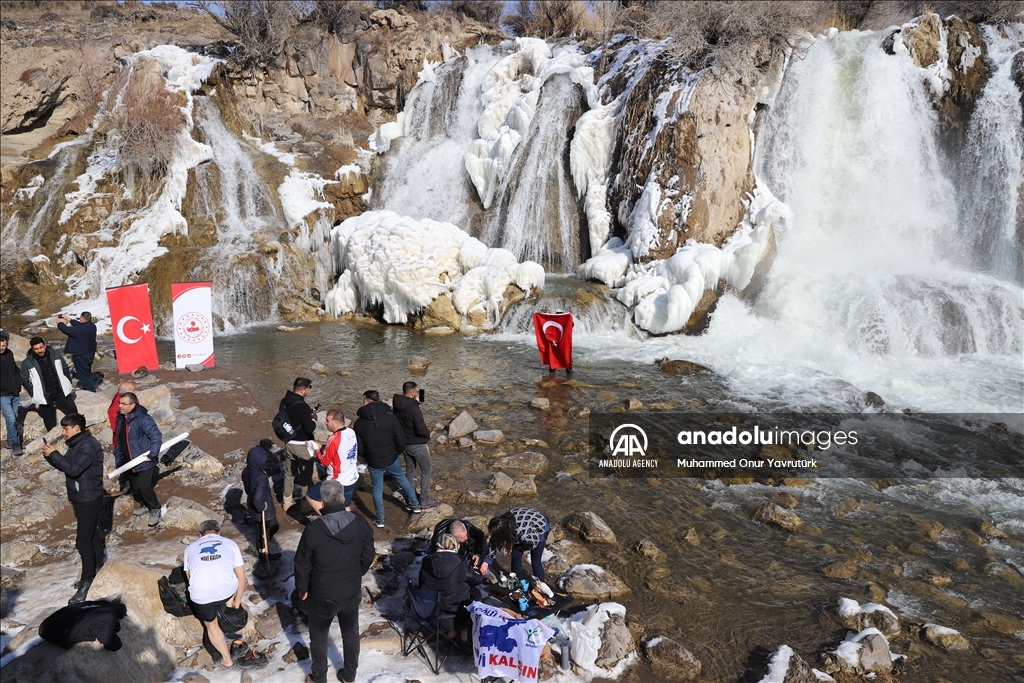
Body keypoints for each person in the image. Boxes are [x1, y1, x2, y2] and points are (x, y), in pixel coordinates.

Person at [293, 480, 374, 683]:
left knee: (319, 637)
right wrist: (358, 572)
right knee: (351, 633)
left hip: (323, 594)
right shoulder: (360, 523)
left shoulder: (314, 529)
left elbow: (302, 563)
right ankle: (349, 676)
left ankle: (319, 678)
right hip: (351, 589)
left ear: (322, 502)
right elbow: (368, 554)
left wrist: (302, 588)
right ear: (343, 498)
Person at [42, 413, 106, 604]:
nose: (63, 433)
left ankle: (87, 581)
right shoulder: (78, 444)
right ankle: (97, 571)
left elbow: (74, 470)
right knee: (92, 536)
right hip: (83, 497)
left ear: (77, 428)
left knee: (83, 542)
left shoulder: (88, 446)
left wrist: (54, 454)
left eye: (66, 429)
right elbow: (67, 466)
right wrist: (50, 455)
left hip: (88, 499)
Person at [183, 519, 261, 670]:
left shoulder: (189, 548)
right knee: (228, 589)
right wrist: (236, 603)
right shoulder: (230, 543)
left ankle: (227, 660)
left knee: (211, 626)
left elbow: (190, 578)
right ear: (219, 532)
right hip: (226, 592)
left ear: (200, 535)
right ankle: (227, 614)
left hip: (201, 596)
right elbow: (241, 577)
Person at [352, 390, 420, 528]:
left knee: (377, 489)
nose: (362, 402)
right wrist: (397, 452)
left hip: (374, 462)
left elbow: (359, 447)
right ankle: (415, 505)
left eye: (363, 400)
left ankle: (381, 519)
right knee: (401, 478)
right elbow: (400, 438)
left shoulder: (359, 423)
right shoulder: (390, 417)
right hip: (392, 457)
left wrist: (368, 456)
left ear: (368, 401)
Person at [419, 532, 483, 641]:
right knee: (476, 593)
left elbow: (421, 583)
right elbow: (476, 580)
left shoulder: (426, 561)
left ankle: (453, 632)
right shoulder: (460, 562)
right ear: (455, 545)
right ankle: (465, 632)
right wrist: (476, 571)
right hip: (455, 611)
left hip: (429, 611)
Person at [113, 392, 163, 527]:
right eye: (119, 403)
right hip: (129, 461)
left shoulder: (143, 419)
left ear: (133, 405)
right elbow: (119, 440)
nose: (120, 406)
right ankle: (145, 505)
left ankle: (155, 508)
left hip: (143, 461)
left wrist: (152, 455)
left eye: (124, 404)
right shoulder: (121, 419)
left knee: (144, 487)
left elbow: (156, 437)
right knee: (135, 488)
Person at [392, 381, 437, 508]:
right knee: (426, 469)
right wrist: (428, 435)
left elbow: (406, 411)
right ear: (413, 393)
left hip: (404, 444)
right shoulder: (414, 410)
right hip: (417, 444)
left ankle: (411, 496)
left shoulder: (397, 404)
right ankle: (423, 498)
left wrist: (416, 403)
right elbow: (420, 429)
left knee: (410, 469)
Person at [20, 336, 78, 431]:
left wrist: (68, 381)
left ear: (45, 345)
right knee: (48, 417)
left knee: (72, 411)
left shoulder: (55, 354)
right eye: (36, 349)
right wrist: (33, 393)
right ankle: (52, 437)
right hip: (44, 395)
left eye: (41, 347)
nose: (39, 351)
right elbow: (24, 379)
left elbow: (64, 367)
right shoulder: (27, 363)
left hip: (60, 390)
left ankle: (77, 433)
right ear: (32, 349)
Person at [278, 377, 319, 511]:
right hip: (302, 445)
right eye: (308, 389)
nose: (307, 391)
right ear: (302, 390)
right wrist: (313, 419)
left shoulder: (284, 402)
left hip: (289, 443)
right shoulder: (302, 406)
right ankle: (306, 503)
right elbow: (309, 428)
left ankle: (287, 502)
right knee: (306, 475)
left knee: (289, 473)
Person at [310, 409, 360, 511]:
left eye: (327, 421)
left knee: (311, 496)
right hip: (352, 477)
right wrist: (325, 448)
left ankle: (329, 520)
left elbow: (324, 461)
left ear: (336, 423)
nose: (325, 423)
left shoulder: (333, 439)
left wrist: (316, 450)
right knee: (345, 505)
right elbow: (341, 450)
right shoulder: (351, 432)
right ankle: (348, 524)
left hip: (337, 481)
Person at [241, 439, 281, 563]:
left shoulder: (246, 471)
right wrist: (261, 506)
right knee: (272, 526)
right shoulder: (261, 477)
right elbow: (258, 497)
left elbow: (249, 489)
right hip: (263, 508)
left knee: (261, 530)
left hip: (252, 505)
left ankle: (261, 545)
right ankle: (263, 554)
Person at [487, 508, 550, 581]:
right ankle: (517, 579)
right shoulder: (499, 523)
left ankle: (541, 584)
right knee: (515, 556)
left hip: (540, 527)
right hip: (523, 524)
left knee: (535, 562)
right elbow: (495, 541)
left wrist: (523, 547)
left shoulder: (521, 532)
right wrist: (487, 560)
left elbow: (533, 543)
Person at [57, 311, 98, 392]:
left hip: (80, 355)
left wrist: (59, 323)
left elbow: (66, 330)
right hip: (90, 353)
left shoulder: (80, 329)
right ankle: (88, 388)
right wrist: (68, 319)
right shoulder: (92, 326)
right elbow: (79, 325)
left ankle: (91, 391)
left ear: (82, 318)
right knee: (87, 372)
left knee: (83, 375)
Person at [0, 330, 23, 456]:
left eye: (3, 346)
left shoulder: (9, 353)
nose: (1, 348)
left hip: (14, 392)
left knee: (12, 419)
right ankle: (15, 443)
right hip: (2, 394)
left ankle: (9, 440)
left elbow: (15, 369)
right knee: (11, 418)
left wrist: (19, 381)